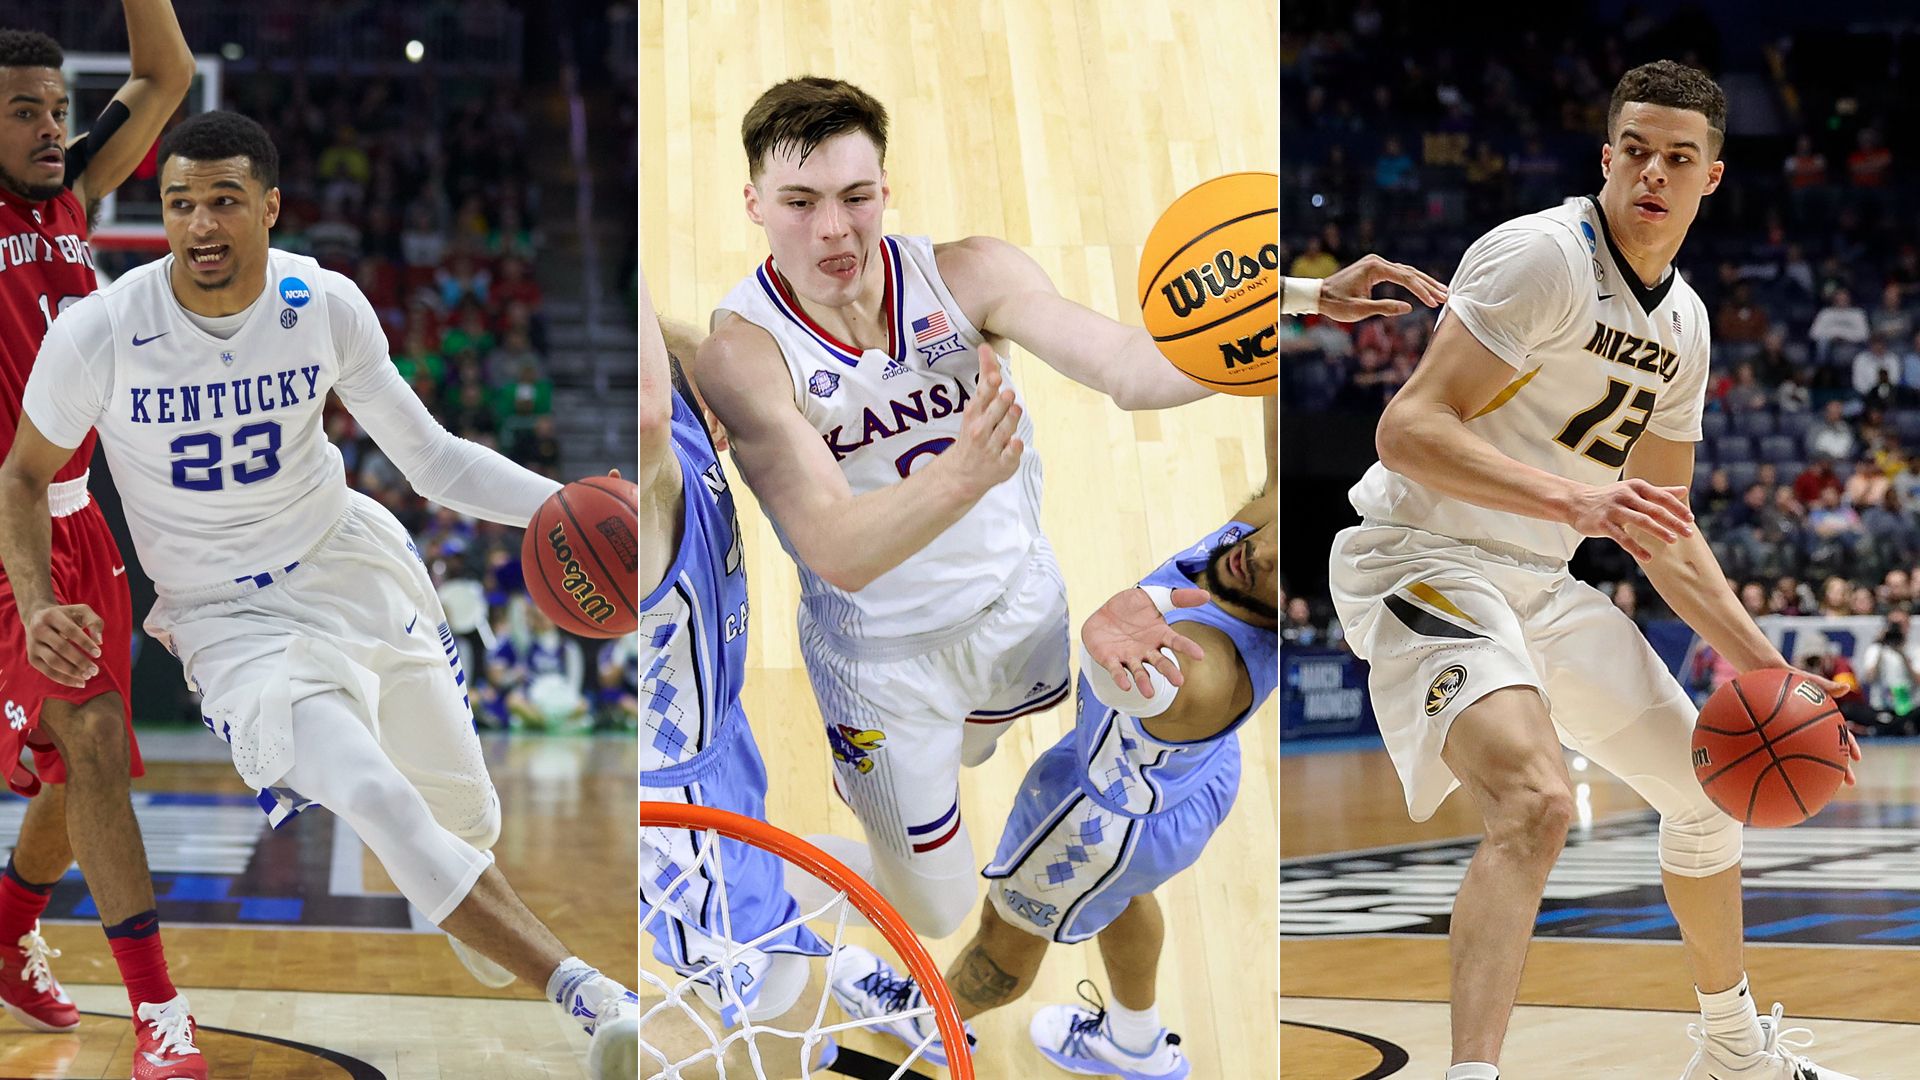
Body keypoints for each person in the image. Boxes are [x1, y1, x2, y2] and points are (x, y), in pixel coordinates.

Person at [0, 111, 637, 1078]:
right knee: (375, 794)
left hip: (347, 563)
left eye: (223, 201)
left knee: (465, 816)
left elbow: (431, 461)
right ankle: (591, 996)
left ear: (271, 207)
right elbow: (20, 475)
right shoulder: (103, 329)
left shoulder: (323, 304)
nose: (200, 224)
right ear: (158, 213)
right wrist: (40, 599)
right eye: (179, 204)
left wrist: (569, 509)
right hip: (227, 621)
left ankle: (469, 895)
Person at [1327, 61, 1861, 1080]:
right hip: (1421, 558)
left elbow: (1663, 525)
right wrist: (1576, 500)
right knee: (1535, 802)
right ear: (1607, 157)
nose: (1653, 172)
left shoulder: (1687, 324)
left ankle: (1732, 1048)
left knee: (1707, 794)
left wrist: (1778, 677)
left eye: (1679, 157)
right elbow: (1407, 429)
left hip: (1539, 577)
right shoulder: (1544, 258)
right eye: (1636, 151)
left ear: (1711, 177)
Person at [693, 77, 1217, 938]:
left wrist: (1279, 317)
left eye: (856, 197)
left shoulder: (967, 273)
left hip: (1016, 604)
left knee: (989, 737)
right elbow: (834, 548)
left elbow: (1131, 367)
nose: (834, 229)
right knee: (936, 912)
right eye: (801, 201)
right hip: (884, 664)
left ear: (885, 191)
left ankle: (920, 780)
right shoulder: (744, 356)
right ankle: (768, 866)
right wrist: (960, 477)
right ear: (755, 203)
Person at [829, 403, 1276, 1079]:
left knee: (1009, 932)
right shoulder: (1272, 536)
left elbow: (1160, 688)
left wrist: (1110, 659)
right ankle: (1135, 1044)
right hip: (1186, 783)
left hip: (1099, 822)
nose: (1263, 552)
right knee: (1123, 894)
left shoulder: (1206, 673)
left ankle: (931, 1017)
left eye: (1285, 574)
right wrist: (1297, 301)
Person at [0, 14, 202, 1075]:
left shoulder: (71, 190)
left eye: (56, 108)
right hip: (7, 525)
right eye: (23, 110)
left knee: (70, 773)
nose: (48, 126)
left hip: (85, 520)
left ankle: (4, 926)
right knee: (83, 739)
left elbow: (164, 72)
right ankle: (160, 1014)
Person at [638, 268, 836, 1079]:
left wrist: (694, 357)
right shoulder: (645, 478)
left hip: (717, 730)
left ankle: (800, 1014)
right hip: (675, 797)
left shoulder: (666, 398)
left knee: (778, 956)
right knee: (749, 992)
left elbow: (653, 340)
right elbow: (649, 410)